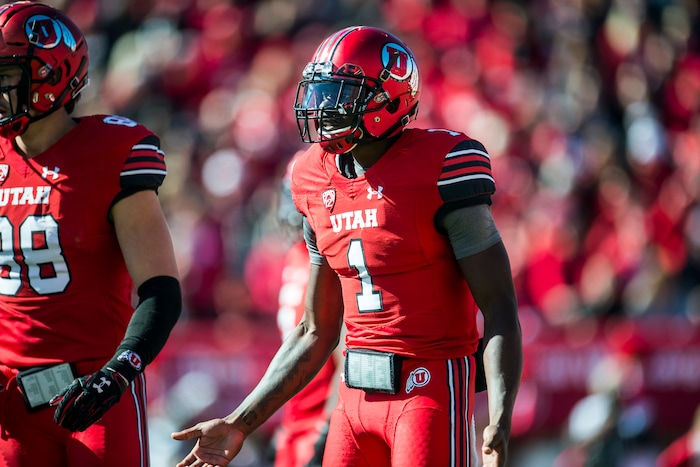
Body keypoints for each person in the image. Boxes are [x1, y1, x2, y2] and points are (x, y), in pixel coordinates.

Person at [173, 25, 522, 467]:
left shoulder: (441, 168)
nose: (322, 108)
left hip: (427, 389)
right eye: (320, 93)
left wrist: (499, 418)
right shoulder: (312, 177)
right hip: (353, 399)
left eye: (340, 94)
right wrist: (240, 421)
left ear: (388, 98)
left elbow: (500, 308)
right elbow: (315, 331)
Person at [0, 2, 181, 466]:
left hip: (95, 393)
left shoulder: (111, 152)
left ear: (48, 77)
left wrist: (119, 373)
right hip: (11, 402)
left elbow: (160, 291)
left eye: (4, 76)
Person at [272, 157, 341, 467]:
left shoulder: (337, 261)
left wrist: (327, 433)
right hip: (295, 429)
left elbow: (347, 360)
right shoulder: (297, 256)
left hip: (322, 433)